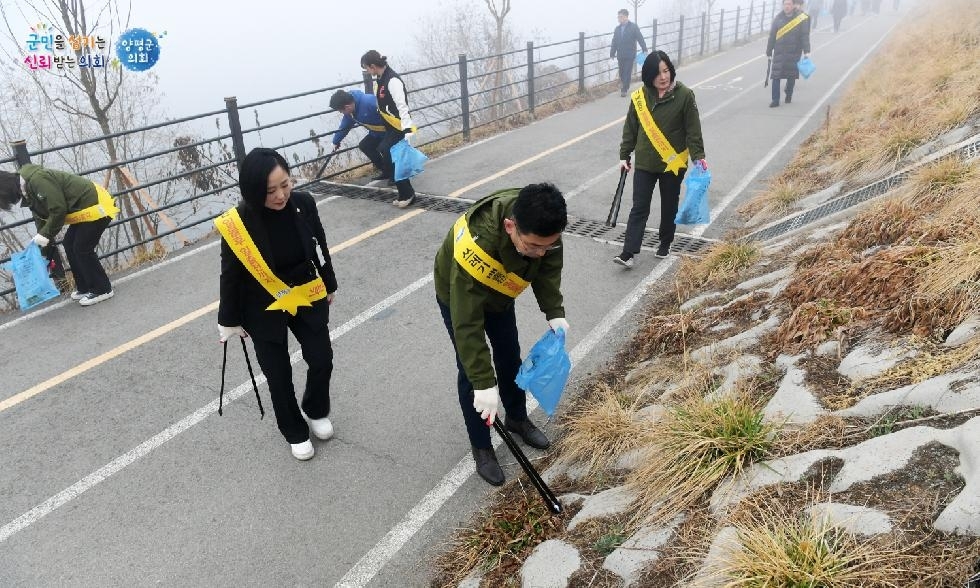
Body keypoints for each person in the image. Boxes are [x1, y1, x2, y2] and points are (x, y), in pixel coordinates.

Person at [434, 183, 570, 486]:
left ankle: (517, 418)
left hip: (500, 290)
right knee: (471, 371)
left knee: (509, 354)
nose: (540, 253)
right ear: (510, 226)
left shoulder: (543, 227)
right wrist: (484, 383)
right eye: (533, 246)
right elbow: (467, 323)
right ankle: (481, 445)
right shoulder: (478, 246)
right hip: (458, 292)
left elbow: (547, 269)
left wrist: (554, 311)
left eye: (547, 246)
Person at [215, 148, 339, 461]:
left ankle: (315, 408)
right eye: (271, 191)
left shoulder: (304, 204)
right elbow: (229, 274)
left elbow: (319, 246)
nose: (281, 195)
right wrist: (229, 320)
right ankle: (294, 431)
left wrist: (329, 282)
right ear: (254, 191)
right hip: (262, 304)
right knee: (278, 373)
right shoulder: (237, 223)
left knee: (321, 357)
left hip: (305, 290)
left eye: (285, 184)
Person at [614, 51, 706, 268]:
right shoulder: (640, 97)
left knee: (669, 204)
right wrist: (624, 155)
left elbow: (693, 130)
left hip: (672, 163)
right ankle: (628, 252)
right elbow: (631, 129)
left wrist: (698, 157)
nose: (663, 77)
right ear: (648, 76)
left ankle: (665, 242)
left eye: (666, 71)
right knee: (639, 207)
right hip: (645, 161)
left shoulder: (684, 95)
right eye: (657, 73)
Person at [0, 164, 118, 306]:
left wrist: (44, 235)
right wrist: (42, 252)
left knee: (82, 248)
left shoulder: (37, 181)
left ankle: (102, 289)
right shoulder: (26, 187)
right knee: (69, 244)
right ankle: (85, 287)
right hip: (82, 210)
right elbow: (43, 219)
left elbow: (58, 210)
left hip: (96, 206)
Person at [360, 50, 417, 208]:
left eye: (367, 68)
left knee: (391, 154)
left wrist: (407, 131)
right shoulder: (381, 78)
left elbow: (402, 106)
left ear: (373, 66)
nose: (367, 72)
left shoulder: (392, 80)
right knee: (388, 153)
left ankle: (408, 194)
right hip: (390, 126)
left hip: (399, 126)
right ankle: (404, 193)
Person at [328, 89, 388, 181]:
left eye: (341, 111)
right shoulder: (351, 112)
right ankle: (386, 171)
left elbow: (391, 112)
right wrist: (335, 142)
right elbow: (344, 127)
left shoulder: (369, 102)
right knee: (365, 146)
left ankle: (395, 174)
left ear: (347, 107)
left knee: (384, 148)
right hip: (376, 133)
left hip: (391, 131)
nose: (341, 113)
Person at [766, 0, 811, 108]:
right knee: (776, 76)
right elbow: (772, 36)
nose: (787, 6)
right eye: (785, 4)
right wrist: (769, 51)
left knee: (791, 76)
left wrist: (807, 51)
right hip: (779, 52)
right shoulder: (778, 19)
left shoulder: (800, 18)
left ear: (793, 5)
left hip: (794, 52)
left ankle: (789, 93)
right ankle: (775, 100)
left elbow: (804, 36)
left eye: (789, 4)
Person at [610, 9, 649, 98]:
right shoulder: (617, 29)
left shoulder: (633, 27)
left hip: (630, 54)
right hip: (620, 54)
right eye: (618, 17)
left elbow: (640, 38)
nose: (619, 19)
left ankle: (624, 89)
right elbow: (614, 41)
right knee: (622, 72)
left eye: (621, 17)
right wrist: (612, 53)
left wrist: (644, 48)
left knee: (627, 71)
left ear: (626, 17)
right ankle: (625, 85)